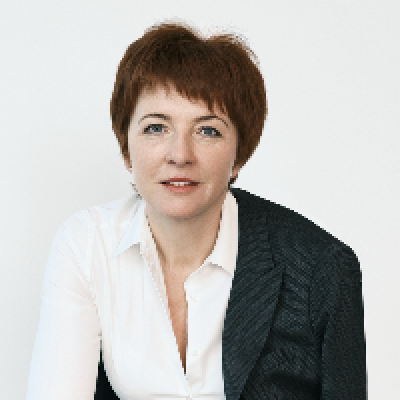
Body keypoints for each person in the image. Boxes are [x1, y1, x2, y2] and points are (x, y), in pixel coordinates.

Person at [26, 21, 367, 400]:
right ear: (126, 149)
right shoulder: (87, 244)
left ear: (239, 155)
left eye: (208, 131)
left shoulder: (321, 268)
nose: (180, 155)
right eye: (156, 128)